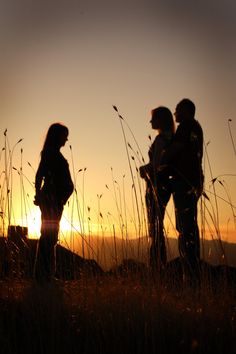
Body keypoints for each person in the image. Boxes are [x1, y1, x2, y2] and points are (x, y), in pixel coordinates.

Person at [161, 98, 204, 284]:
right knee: (189, 226)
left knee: (185, 228)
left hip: (184, 181)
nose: (174, 112)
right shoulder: (196, 127)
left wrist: (160, 162)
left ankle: (190, 277)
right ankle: (191, 273)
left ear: (186, 110)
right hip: (193, 180)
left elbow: (175, 150)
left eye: (177, 109)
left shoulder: (186, 126)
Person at [34, 123, 74, 282]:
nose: (66, 139)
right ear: (56, 136)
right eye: (64, 135)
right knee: (49, 236)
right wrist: (40, 196)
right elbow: (39, 176)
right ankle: (44, 275)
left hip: (55, 200)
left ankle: (47, 274)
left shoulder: (52, 153)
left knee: (50, 236)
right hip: (52, 199)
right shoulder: (51, 153)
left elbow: (40, 176)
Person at [139, 107, 175, 272]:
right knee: (157, 223)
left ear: (161, 120)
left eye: (153, 118)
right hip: (166, 186)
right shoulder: (171, 138)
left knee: (154, 224)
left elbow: (157, 165)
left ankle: (156, 265)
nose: (150, 122)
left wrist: (144, 169)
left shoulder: (161, 140)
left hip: (155, 185)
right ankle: (159, 262)